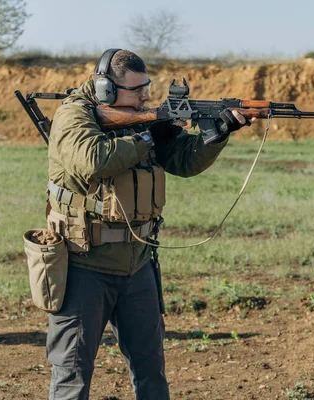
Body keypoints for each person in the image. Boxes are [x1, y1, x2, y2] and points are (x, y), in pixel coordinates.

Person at [44, 48, 253, 400]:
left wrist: (218, 131)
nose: (145, 96)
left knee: (150, 369)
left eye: (147, 87)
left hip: (138, 263)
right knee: (72, 374)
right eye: (136, 89)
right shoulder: (73, 115)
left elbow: (184, 161)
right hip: (83, 263)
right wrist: (148, 136)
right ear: (106, 90)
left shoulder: (142, 117)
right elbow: (92, 160)